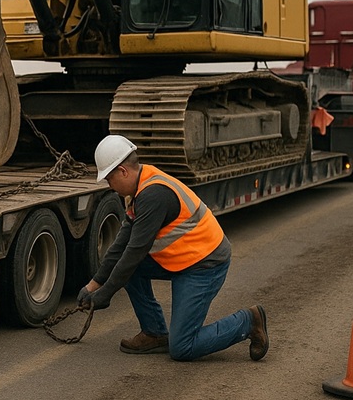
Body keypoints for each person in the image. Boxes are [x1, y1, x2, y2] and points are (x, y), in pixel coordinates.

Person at [78, 134, 269, 361]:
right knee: (129, 269)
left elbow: (134, 252)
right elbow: (121, 245)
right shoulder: (140, 188)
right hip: (183, 259)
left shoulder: (152, 196)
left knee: (182, 347)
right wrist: (93, 286)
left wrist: (105, 294)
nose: (110, 186)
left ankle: (248, 321)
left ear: (122, 171)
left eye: (109, 180)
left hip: (205, 264)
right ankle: (154, 333)